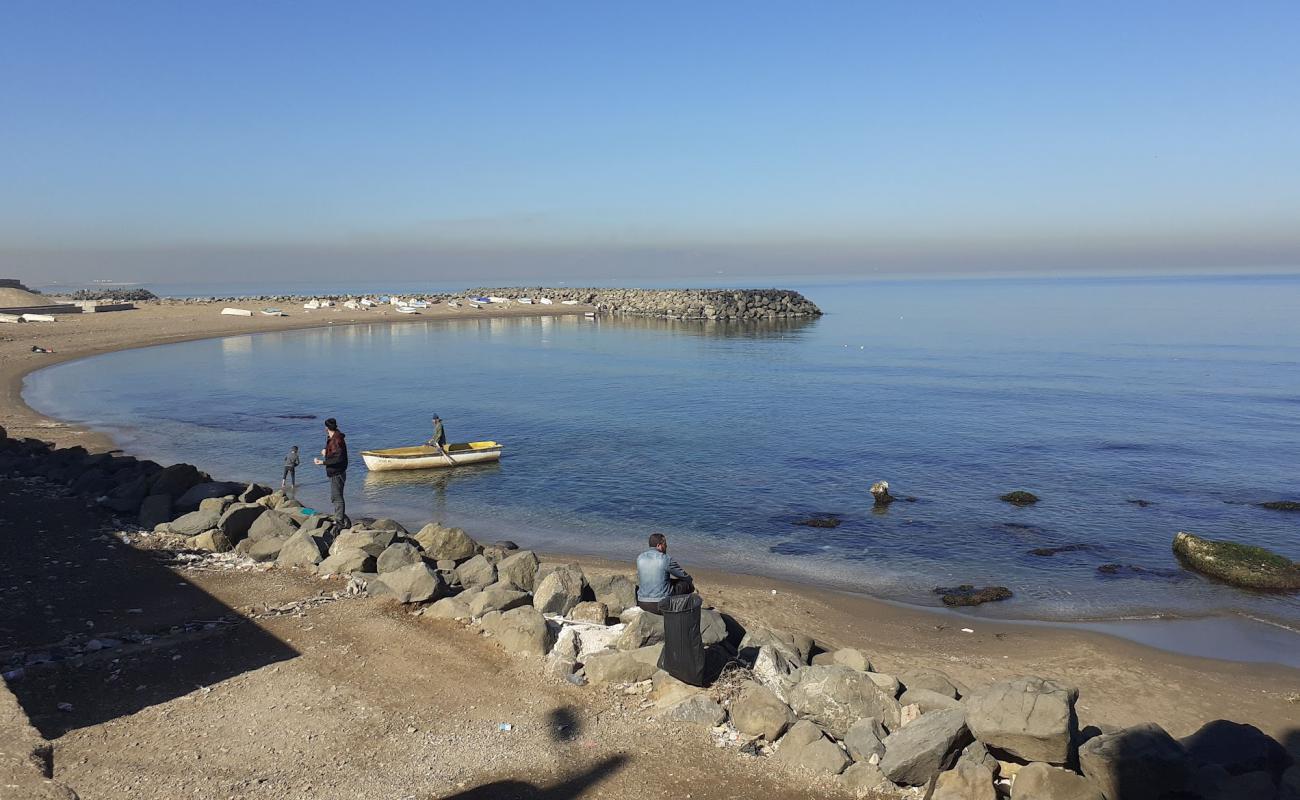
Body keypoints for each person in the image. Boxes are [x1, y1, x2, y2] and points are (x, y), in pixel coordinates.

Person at [636, 532, 694, 614]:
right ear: (659, 545)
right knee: (685, 584)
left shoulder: (640, 558)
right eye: (665, 544)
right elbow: (683, 575)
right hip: (661, 605)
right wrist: (690, 581)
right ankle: (682, 610)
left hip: (642, 603)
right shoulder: (665, 559)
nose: (666, 546)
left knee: (666, 580)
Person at [312, 418, 350, 534]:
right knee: (335, 497)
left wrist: (322, 462)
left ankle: (339, 522)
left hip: (337, 472)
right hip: (336, 471)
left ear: (326, 428)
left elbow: (339, 458)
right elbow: (330, 444)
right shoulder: (334, 436)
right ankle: (342, 519)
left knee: (337, 497)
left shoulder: (337, 440)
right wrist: (325, 450)